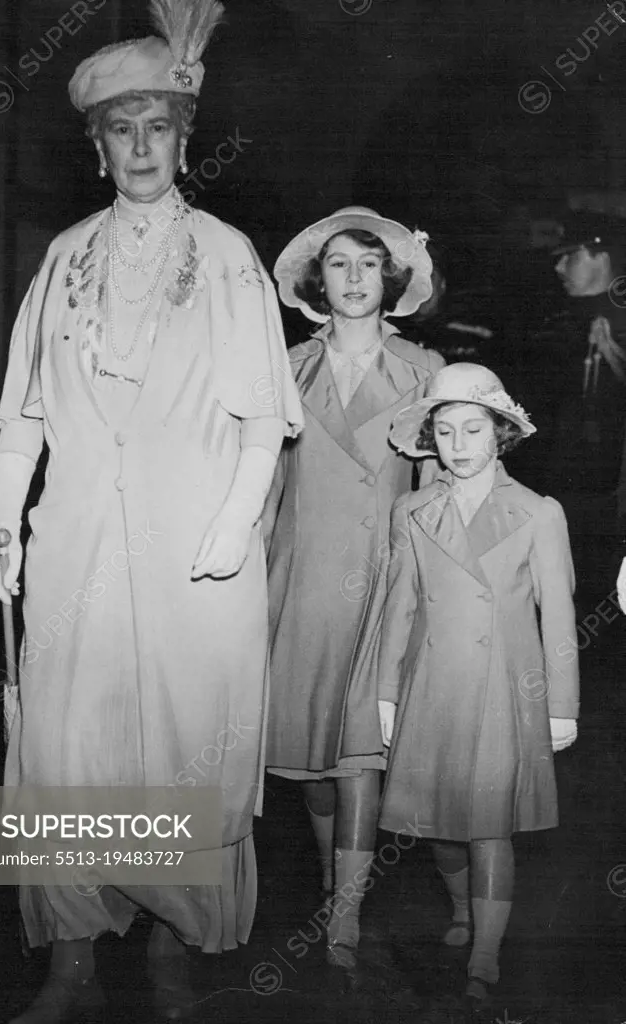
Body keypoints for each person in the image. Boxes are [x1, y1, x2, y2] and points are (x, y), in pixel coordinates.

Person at [0, 1, 304, 1020]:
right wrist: (0, 525)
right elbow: (23, 418)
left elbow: (264, 419)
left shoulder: (230, 256)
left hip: (195, 555)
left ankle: (174, 947)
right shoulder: (63, 257)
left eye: (159, 126)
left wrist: (235, 516)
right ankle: (71, 954)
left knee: (180, 745)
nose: (142, 146)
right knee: (75, 748)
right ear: (97, 145)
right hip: (76, 548)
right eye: (122, 128)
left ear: (184, 138)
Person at [357, 362, 579, 1005]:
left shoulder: (538, 513)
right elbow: (399, 607)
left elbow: (559, 616)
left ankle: (486, 952)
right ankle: (461, 910)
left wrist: (561, 706)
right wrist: (385, 694)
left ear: (500, 434)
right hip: (429, 688)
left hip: (505, 690)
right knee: (435, 824)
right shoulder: (413, 509)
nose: (459, 444)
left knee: (489, 826)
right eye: (446, 431)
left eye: (473, 429)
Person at [263, 206, 443, 973]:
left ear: (392, 277)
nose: (354, 278)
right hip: (298, 584)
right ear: (317, 280)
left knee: (360, 754)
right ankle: (335, 882)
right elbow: (263, 482)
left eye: (369, 263)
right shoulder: (285, 368)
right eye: (339, 264)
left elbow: (441, 491)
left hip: (383, 581)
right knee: (313, 766)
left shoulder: (425, 372)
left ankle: (345, 914)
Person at [548, 214, 626, 589]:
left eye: (570, 255)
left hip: (608, 503)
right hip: (563, 492)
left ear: (601, 256)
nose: (559, 266)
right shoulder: (559, 321)